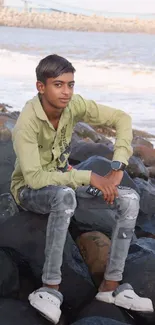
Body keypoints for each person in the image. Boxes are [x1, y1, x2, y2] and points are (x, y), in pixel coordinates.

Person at [11, 54, 153, 324]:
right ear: (41, 87)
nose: (66, 92)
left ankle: (110, 288)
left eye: (71, 84)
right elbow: (35, 178)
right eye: (58, 85)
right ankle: (50, 289)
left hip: (67, 179)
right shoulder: (26, 124)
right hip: (30, 190)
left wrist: (119, 163)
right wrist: (89, 177)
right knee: (64, 197)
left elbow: (122, 118)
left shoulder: (73, 105)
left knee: (130, 198)